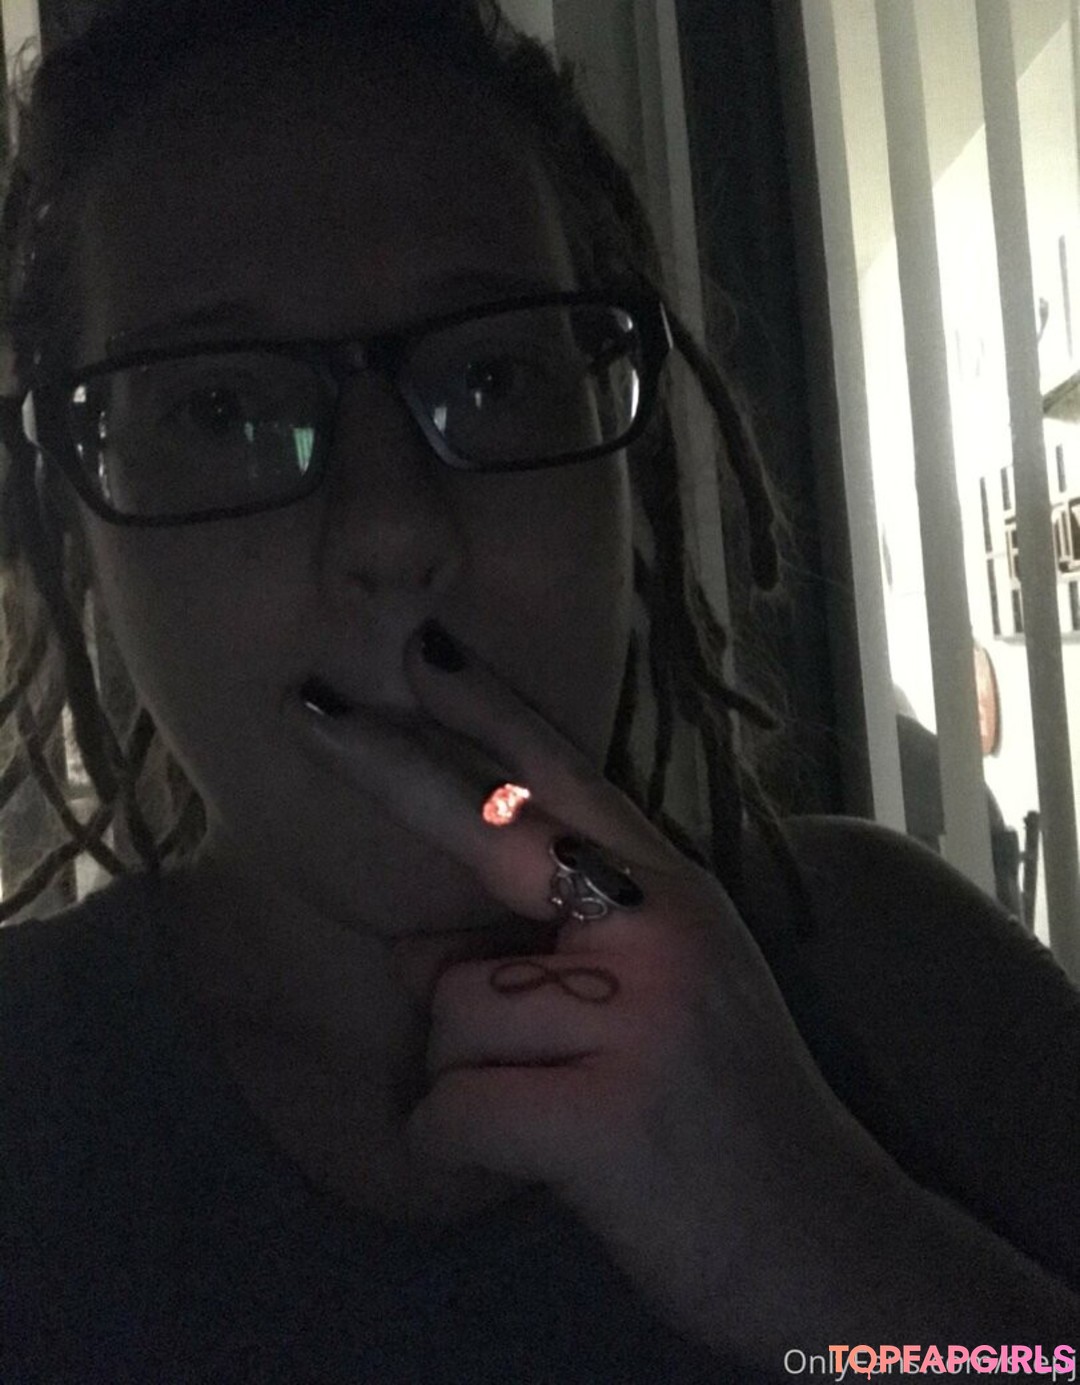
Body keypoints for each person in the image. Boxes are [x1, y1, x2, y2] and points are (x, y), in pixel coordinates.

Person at [0, 2, 1077, 1381]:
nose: (393, 526)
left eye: (496, 374)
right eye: (218, 410)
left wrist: (844, 1262)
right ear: (78, 529)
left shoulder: (914, 992)